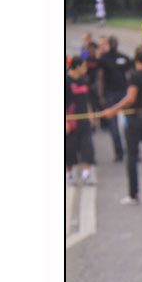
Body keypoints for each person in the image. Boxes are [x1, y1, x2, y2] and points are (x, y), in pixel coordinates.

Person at [100, 45, 142, 204]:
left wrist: (112, 110)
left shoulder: (133, 76)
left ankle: (134, 194)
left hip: (134, 119)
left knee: (132, 157)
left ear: (135, 59)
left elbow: (131, 97)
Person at [97, 36, 132, 162]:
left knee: (128, 123)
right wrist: (101, 96)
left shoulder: (123, 58)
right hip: (110, 94)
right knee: (114, 126)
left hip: (123, 93)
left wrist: (130, 90)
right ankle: (119, 152)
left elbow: (131, 73)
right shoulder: (103, 59)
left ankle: (131, 149)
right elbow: (100, 78)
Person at [65, 56, 96, 186]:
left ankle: (86, 174)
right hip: (71, 121)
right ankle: (68, 174)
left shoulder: (83, 80)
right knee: (69, 149)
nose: (85, 69)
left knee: (87, 147)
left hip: (84, 120)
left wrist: (91, 115)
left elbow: (87, 99)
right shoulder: (66, 81)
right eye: (84, 66)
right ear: (77, 67)